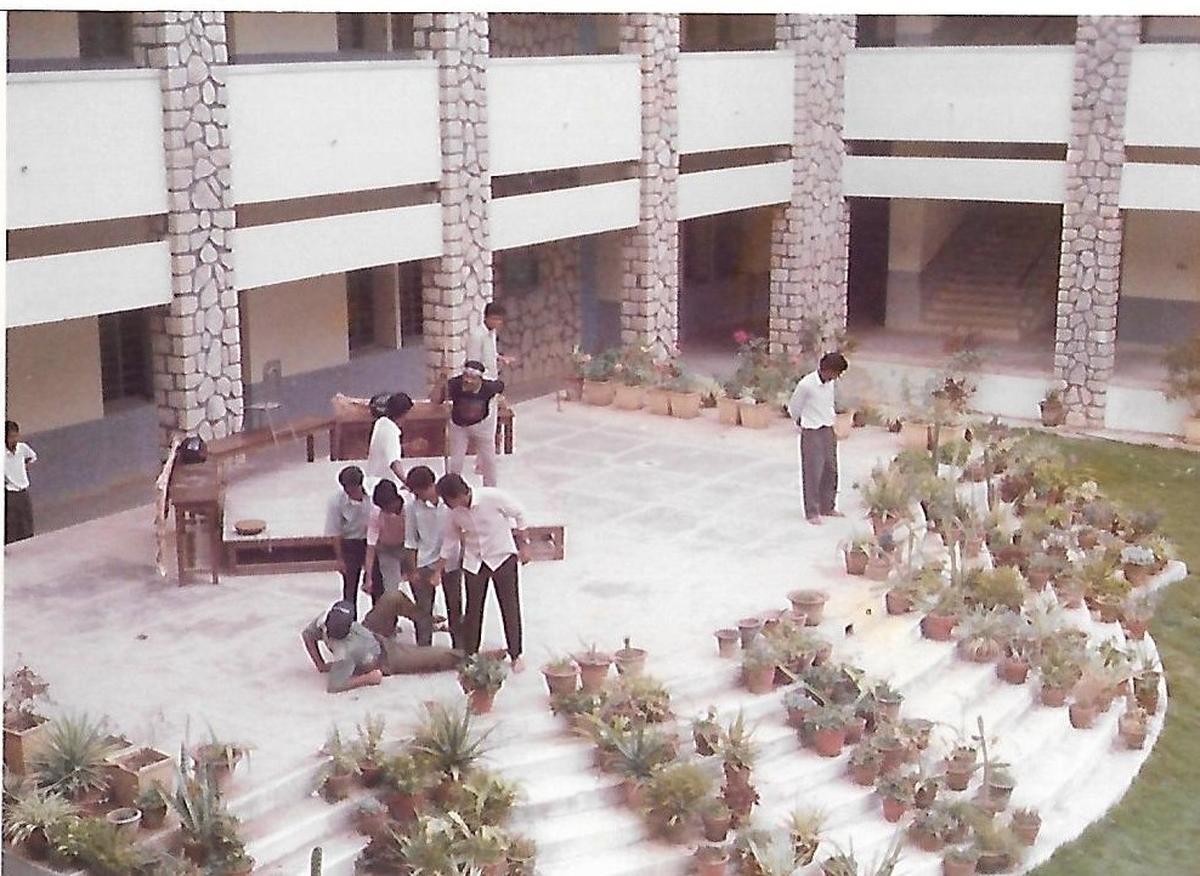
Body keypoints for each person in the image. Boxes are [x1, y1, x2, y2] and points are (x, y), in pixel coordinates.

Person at [435, 473, 530, 672]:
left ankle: (516, 653)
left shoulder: (492, 497)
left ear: (459, 494)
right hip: (475, 562)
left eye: (448, 500)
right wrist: (439, 569)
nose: (447, 504)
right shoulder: (453, 512)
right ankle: (471, 654)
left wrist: (524, 545)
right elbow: (450, 540)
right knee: (473, 610)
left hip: (501, 556)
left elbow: (519, 514)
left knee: (509, 605)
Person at [301, 596, 462, 694]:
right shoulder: (344, 653)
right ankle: (471, 659)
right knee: (438, 655)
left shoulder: (323, 620)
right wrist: (367, 678)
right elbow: (335, 686)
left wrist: (320, 665)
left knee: (393, 598)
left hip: (370, 632)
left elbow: (307, 636)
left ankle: (426, 620)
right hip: (385, 657)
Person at [403, 465, 463, 648]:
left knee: (455, 606)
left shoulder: (450, 503)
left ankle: (459, 649)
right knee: (423, 611)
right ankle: (424, 650)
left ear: (428, 486)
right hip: (425, 563)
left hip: (451, 562)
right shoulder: (412, 508)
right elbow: (411, 540)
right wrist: (412, 570)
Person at [786, 351, 849, 525]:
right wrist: (801, 422)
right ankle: (812, 511)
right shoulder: (806, 385)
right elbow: (794, 407)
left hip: (827, 428)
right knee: (813, 471)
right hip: (812, 430)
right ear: (827, 370)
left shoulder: (830, 384)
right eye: (836, 373)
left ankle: (827, 506)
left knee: (831, 469)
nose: (837, 377)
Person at [436, 361, 505, 487]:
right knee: (456, 462)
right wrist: (441, 382)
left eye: (472, 378)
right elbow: (434, 400)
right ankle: (453, 488)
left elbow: (501, 386)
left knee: (489, 461)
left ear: (480, 379)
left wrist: (501, 400)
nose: (467, 380)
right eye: (465, 376)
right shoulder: (454, 384)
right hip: (459, 427)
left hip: (482, 426)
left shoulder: (489, 387)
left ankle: (491, 490)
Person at [324, 466, 378, 614]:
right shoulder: (336, 501)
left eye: (352, 489)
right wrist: (340, 559)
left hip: (372, 542)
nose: (349, 492)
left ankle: (380, 624)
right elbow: (335, 531)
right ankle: (349, 622)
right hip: (350, 543)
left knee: (377, 584)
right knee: (350, 587)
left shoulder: (374, 494)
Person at [366, 392, 424, 488]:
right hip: (383, 484)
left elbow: (387, 449)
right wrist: (407, 483)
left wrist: (409, 446)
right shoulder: (391, 431)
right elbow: (394, 463)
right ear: (404, 413)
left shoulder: (381, 423)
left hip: (373, 481)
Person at [363, 480, 407, 605]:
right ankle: (391, 623)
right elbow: (371, 547)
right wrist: (368, 577)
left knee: (419, 587)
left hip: (408, 548)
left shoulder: (408, 508)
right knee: (391, 592)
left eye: (386, 508)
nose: (385, 511)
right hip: (387, 551)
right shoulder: (376, 513)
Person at [5, 421, 37, 544]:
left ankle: (28, 543)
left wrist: (25, 465)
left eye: (16, 436)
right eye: (11, 437)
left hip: (23, 489)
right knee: (12, 523)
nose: (14, 440)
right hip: (10, 491)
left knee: (26, 520)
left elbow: (33, 457)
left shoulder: (22, 448)